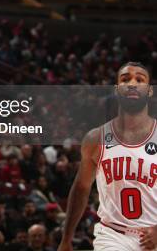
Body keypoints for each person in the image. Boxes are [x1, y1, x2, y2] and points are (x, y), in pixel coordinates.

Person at [59, 62, 157, 251]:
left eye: (140, 79)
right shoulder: (96, 138)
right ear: (116, 89)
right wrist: (66, 238)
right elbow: (81, 187)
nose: (132, 83)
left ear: (150, 91)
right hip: (113, 235)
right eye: (125, 79)